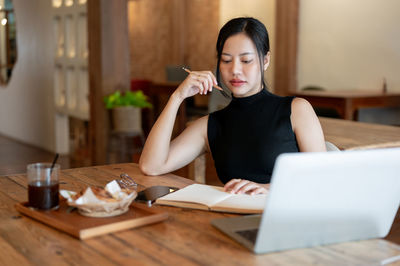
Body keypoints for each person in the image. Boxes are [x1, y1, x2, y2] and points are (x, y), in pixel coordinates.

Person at [139, 17, 326, 195]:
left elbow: (322, 178)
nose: (235, 70)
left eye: (246, 60)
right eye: (226, 60)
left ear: (265, 60)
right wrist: (177, 97)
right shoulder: (210, 125)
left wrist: (267, 188)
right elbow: (151, 166)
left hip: (287, 218)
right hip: (230, 220)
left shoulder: (296, 109)